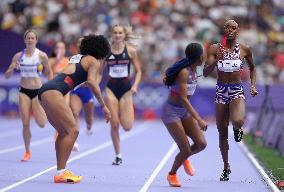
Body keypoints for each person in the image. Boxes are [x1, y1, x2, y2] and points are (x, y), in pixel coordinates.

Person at [38, 34, 111, 184]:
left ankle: (60, 172)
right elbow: (92, 82)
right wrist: (103, 105)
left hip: (45, 90)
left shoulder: (77, 57)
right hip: (54, 92)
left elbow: (72, 75)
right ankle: (61, 172)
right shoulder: (93, 61)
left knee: (63, 132)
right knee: (73, 131)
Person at [203, 20, 258, 181]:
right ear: (224, 29)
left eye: (234, 28)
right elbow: (205, 73)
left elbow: (253, 68)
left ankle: (238, 128)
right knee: (222, 132)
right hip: (221, 90)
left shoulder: (244, 49)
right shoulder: (214, 48)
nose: (230, 30)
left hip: (236, 90)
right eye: (227, 27)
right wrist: (214, 61)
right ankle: (226, 167)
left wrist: (252, 86)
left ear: (237, 31)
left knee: (238, 120)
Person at [161, 42, 208, 187]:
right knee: (186, 149)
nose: (205, 56)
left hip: (184, 112)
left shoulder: (195, 71)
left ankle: (184, 157)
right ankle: (172, 174)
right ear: (199, 57)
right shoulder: (184, 72)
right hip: (171, 112)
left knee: (201, 144)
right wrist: (199, 119)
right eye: (204, 54)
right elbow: (183, 99)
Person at [4, 29, 53, 162]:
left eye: (33, 38)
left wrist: (50, 85)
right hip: (24, 91)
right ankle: (27, 151)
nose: (30, 40)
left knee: (42, 123)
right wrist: (12, 67)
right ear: (25, 40)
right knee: (25, 123)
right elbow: (7, 75)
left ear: (36, 40)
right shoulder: (18, 56)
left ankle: (46, 114)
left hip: (37, 91)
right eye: (28, 38)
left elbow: (49, 71)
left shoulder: (41, 55)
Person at [105, 25, 142, 165]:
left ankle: (122, 115)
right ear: (112, 34)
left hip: (126, 89)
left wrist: (135, 86)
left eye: (120, 33)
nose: (117, 35)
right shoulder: (106, 52)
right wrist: (92, 83)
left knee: (127, 127)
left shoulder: (131, 51)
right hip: (111, 88)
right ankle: (118, 155)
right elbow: (97, 72)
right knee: (114, 124)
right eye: (115, 33)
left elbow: (138, 71)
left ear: (124, 35)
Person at [69, 37, 95, 152]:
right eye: (79, 43)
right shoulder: (73, 59)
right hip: (76, 90)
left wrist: (92, 82)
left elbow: (98, 75)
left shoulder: (94, 59)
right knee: (74, 113)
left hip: (88, 91)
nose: (81, 45)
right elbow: (69, 72)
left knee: (89, 118)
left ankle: (89, 125)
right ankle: (75, 140)